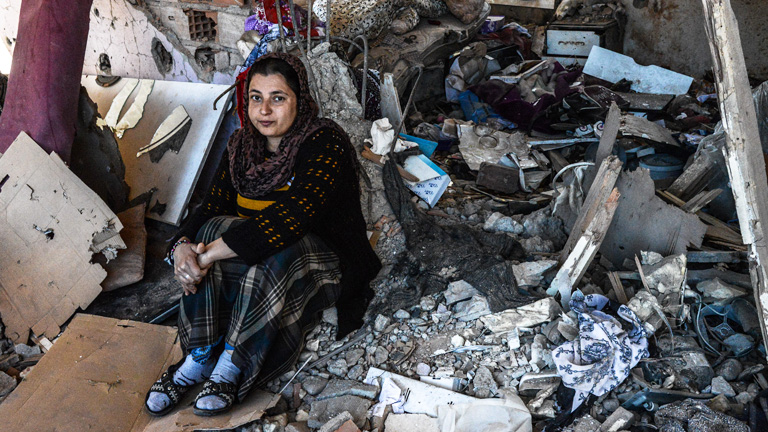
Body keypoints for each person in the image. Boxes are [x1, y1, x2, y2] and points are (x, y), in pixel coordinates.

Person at [144, 53, 381, 417]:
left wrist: (206, 256)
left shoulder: (323, 142)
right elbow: (209, 208)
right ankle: (201, 355)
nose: (264, 110)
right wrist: (182, 250)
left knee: (280, 248)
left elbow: (293, 218)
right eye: (256, 98)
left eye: (278, 98)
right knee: (210, 229)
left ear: (299, 101)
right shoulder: (241, 147)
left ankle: (233, 364)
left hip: (323, 262)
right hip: (260, 261)